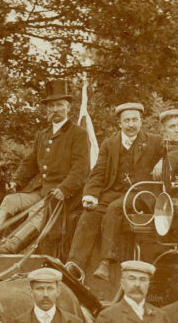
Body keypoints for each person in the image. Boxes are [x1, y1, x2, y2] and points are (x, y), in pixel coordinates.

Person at [0, 80, 89, 254]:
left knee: (38, 209)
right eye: (51, 106)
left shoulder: (78, 133)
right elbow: (30, 163)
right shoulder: (42, 135)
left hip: (64, 195)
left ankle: (11, 247)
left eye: (59, 105)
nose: (54, 110)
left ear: (68, 107)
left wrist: (64, 189)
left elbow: (81, 168)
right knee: (9, 200)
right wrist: (16, 182)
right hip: (41, 191)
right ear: (47, 109)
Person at [68, 102, 164, 281]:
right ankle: (74, 265)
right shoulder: (109, 144)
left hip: (141, 195)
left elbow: (176, 152)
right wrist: (91, 195)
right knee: (90, 213)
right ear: (119, 123)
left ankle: (106, 262)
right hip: (114, 192)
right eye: (126, 120)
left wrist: (163, 162)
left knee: (114, 209)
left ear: (141, 121)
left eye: (135, 120)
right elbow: (98, 172)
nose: (131, 124)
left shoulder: (155, 141)